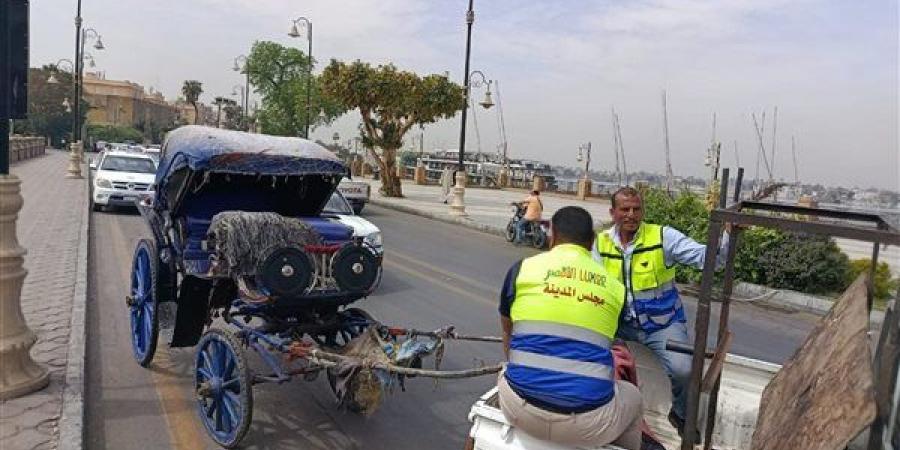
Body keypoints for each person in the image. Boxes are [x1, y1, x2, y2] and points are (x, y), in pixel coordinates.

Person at [497, 206, 643, 450]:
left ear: (552, 235)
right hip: (589, 425)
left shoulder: (522, 270)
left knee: (506, 369)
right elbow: (610, 340)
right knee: (634, 398)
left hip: (519, 410)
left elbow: (507, 332)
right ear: (592, 242)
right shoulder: (615, 288)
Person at [592, 186, 729, 440]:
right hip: (619, 323)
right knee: (591, 356)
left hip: (662, 324)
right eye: (625, 209)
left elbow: (708, 259)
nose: (631, 214)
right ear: (613, 213)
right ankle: (601, 411)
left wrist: (727, 237)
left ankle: (680, 415)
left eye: (636, 209)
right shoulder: (599, 244)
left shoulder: (662, 237)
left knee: (683, 370)